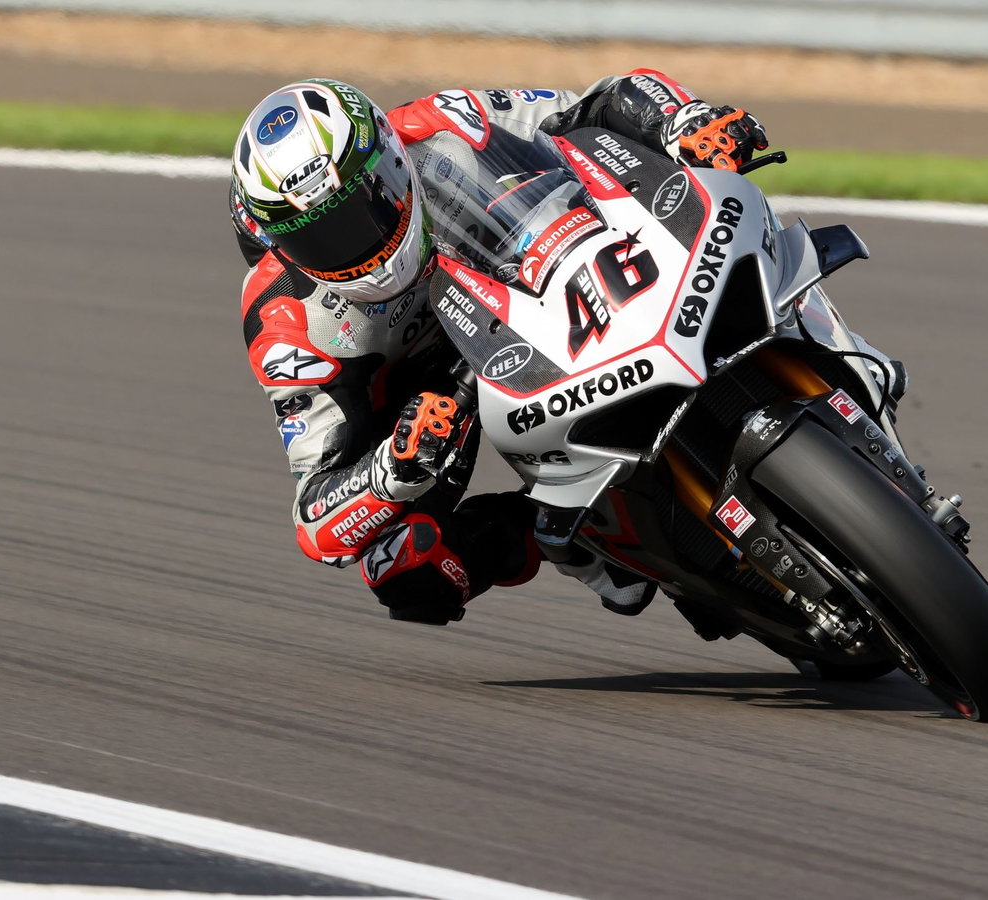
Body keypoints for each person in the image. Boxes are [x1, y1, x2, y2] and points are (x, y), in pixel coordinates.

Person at [230, 71, 768, 626]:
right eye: (317, 237)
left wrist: (681, 121)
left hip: (532, 273)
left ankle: (820, 346)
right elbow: (316, 520)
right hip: (437, 397)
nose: (356, 245)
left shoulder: (437, 125)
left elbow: (594, 105)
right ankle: (574, 533)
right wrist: (393, 467)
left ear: (390, 161)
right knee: (405, 570)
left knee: (714, 208)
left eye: (362, 209)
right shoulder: (285, 322)